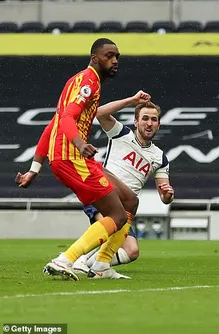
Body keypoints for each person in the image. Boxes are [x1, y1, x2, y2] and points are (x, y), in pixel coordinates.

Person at [15, 38, 140, 281]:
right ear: (95, 58)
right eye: (109, 56)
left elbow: (54, 123)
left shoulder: (80, 81)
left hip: (70, 157)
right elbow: (66, 119)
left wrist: (34, 168)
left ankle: (102, 265)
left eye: (117, 57)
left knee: (129, 200)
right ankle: (65, 260)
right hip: (72, 158)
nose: (115, 61)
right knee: (116, 216)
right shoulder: (88, 81)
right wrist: (80, 143)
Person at [72, 100, 174, 277]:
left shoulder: (160, 158)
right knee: (107, 231)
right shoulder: (121, 134)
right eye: (145, 118)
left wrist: (167, 195)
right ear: (136, 122)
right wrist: (132, 101)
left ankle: (91, 265)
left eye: (154, 119)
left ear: (158, 124)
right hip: (103, 192)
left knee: (132, 251)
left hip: (125, 209)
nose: (149, 123)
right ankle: (73, 260)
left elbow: (164, 196)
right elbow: (100, 113)